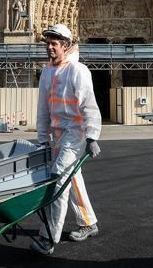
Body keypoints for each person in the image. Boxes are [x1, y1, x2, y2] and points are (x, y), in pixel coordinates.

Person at [31, 23, 102, 255]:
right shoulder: (46, 72)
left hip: (76, 132)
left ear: (66, 45)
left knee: (58, 179)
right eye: (48, 44)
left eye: (54, 44)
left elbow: (89, 105)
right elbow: (43, 109)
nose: (49, 47)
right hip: (57, 135)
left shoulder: (78, 70)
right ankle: (88, 222)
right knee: (72, 177)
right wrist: (42, 138)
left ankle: (48, 237)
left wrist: (92, 136)